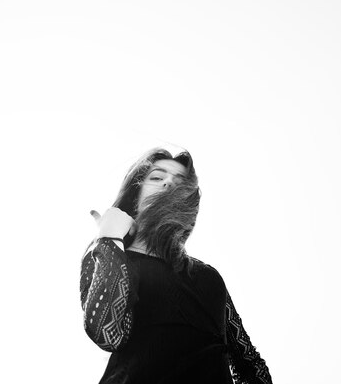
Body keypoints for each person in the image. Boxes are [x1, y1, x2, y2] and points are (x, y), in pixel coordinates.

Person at [79, 148, 273, 383]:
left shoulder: (208, 277)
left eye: (180, 183)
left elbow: (249, 362)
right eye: (157, 177)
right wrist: (109, 237)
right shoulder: (111, 256)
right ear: (135, 196)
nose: (169, 183)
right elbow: (108, 334)